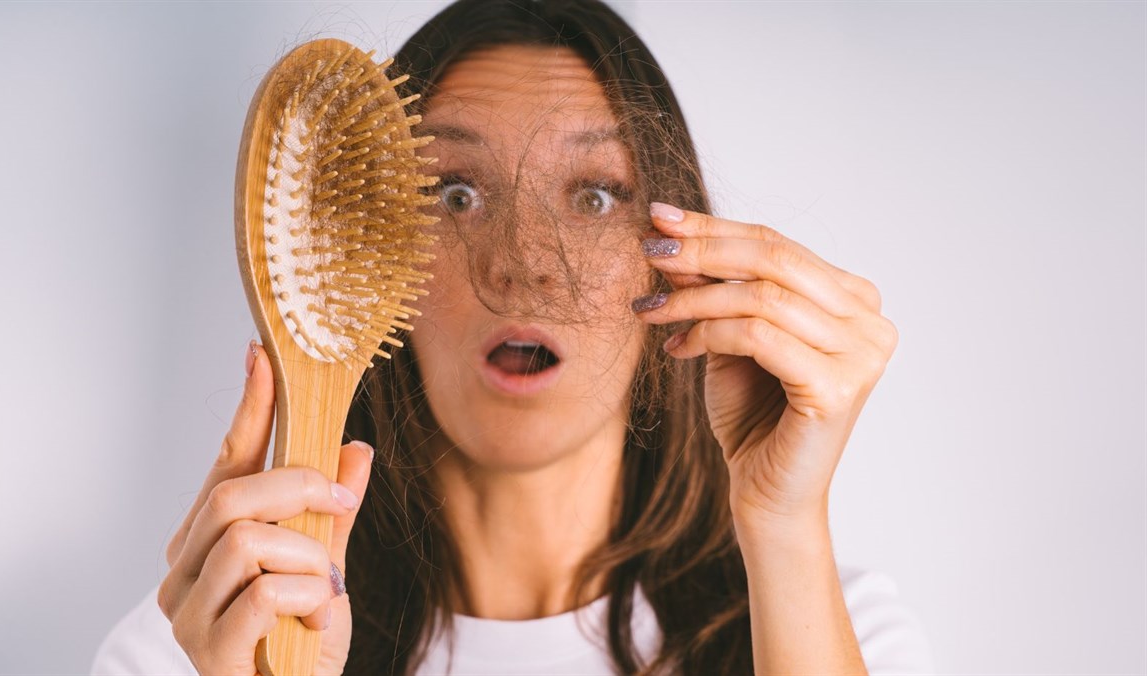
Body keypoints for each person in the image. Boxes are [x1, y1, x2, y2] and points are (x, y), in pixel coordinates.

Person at [94, 0, 933, 673]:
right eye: (456, 194)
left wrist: (784, 526)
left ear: (674, 262)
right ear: (365, 253)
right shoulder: (196, 644)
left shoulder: (834, 628)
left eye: (594, 196)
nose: (526, 266)